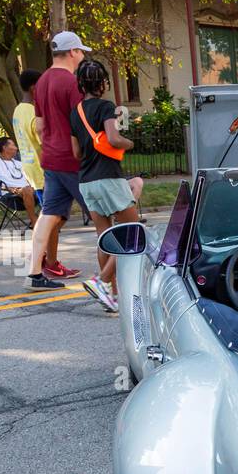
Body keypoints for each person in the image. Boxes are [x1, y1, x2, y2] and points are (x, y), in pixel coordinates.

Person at [70, 57, 143, 313]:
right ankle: (100, 281)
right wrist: (129, 143)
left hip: (86, 181)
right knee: (133, 233)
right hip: (108, 177)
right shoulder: (105, 106)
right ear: (102, 83)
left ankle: (111, 295)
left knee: (105, 238)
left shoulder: (75, 111)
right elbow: (113, 138)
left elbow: (76, 152)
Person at [28, 31, 90, 290]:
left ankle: (34, 273)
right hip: (73, 159)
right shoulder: (71, 83)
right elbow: (81, 123)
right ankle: (115, 276)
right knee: (105, 213)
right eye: (81, 51)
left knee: (48, 215)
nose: (83, 55)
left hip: (51, 158)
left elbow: (40, 126)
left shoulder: (41, 82)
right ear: (73, 52)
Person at [12, 69, 44, 219]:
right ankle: (44, 236)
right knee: (51, 213)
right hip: (41, 167)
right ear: (33, 88)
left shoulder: (17, 111)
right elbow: (44, 142)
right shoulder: (33, 112)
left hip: (29, 166)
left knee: (49, 209)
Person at [0, 136, 39, 227]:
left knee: (48, 188)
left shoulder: (19, 163)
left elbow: (31, 179)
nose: (16, 148)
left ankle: (48, 221)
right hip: (10, 197)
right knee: (27, 190)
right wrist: (9, 189)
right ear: (5, 148)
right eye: (13, 145)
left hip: (31, 193)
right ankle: (34, 221)